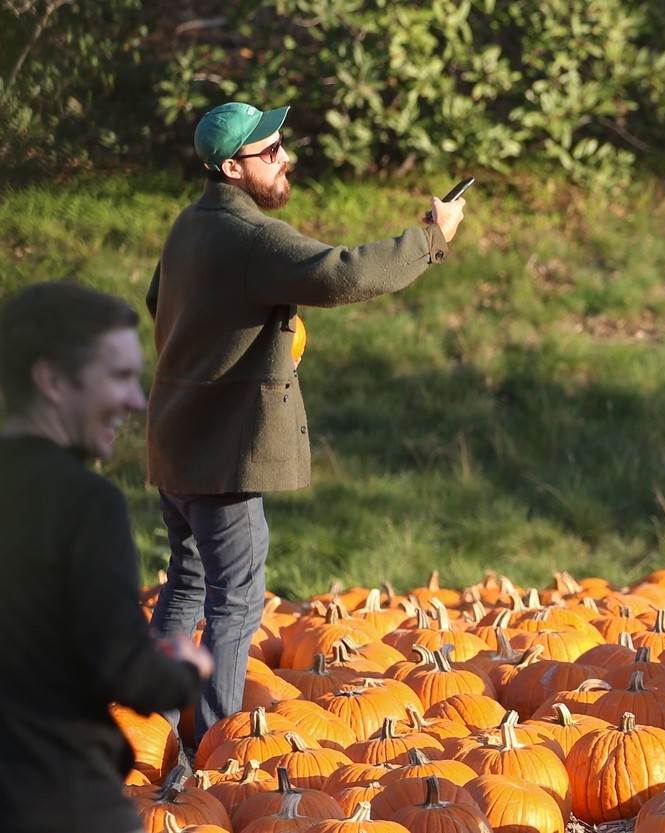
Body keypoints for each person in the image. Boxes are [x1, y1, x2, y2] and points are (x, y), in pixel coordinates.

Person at [145, 101, 467, 743]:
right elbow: (340, 274)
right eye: (269, 152)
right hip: (223, 456)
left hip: (175, 445)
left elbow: (161, 301)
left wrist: (252, 335)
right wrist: (431, 239)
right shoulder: (253, 238)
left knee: (186, 584)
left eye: (282, 144)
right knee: (235, 599)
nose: (283, 157)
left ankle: (144, 727)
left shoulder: (190, 225)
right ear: (233, 167)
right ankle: (213, 747)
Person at [0, 281, 213, 833]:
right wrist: (181, 671)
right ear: (50, 380)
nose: (137, 400)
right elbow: (121, 667)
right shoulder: (84, 503)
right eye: (118, 377)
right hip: (52, 796)